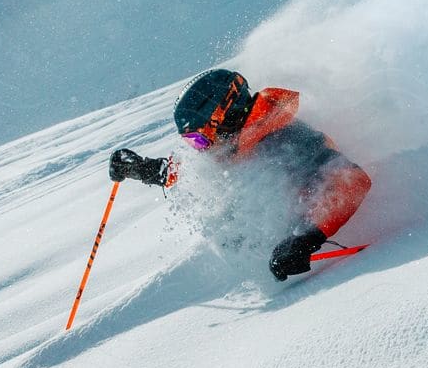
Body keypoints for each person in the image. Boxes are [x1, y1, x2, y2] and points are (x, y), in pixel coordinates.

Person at [109, 69, 372, 280]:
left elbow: (351, 180)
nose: (201, 150)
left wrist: (305, 239)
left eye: (200, 140)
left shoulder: (286, 139)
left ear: (221, 117)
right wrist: (141, 168)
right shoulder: (238, 145)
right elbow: (189, 173)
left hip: (321, 270)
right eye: (193, 143)